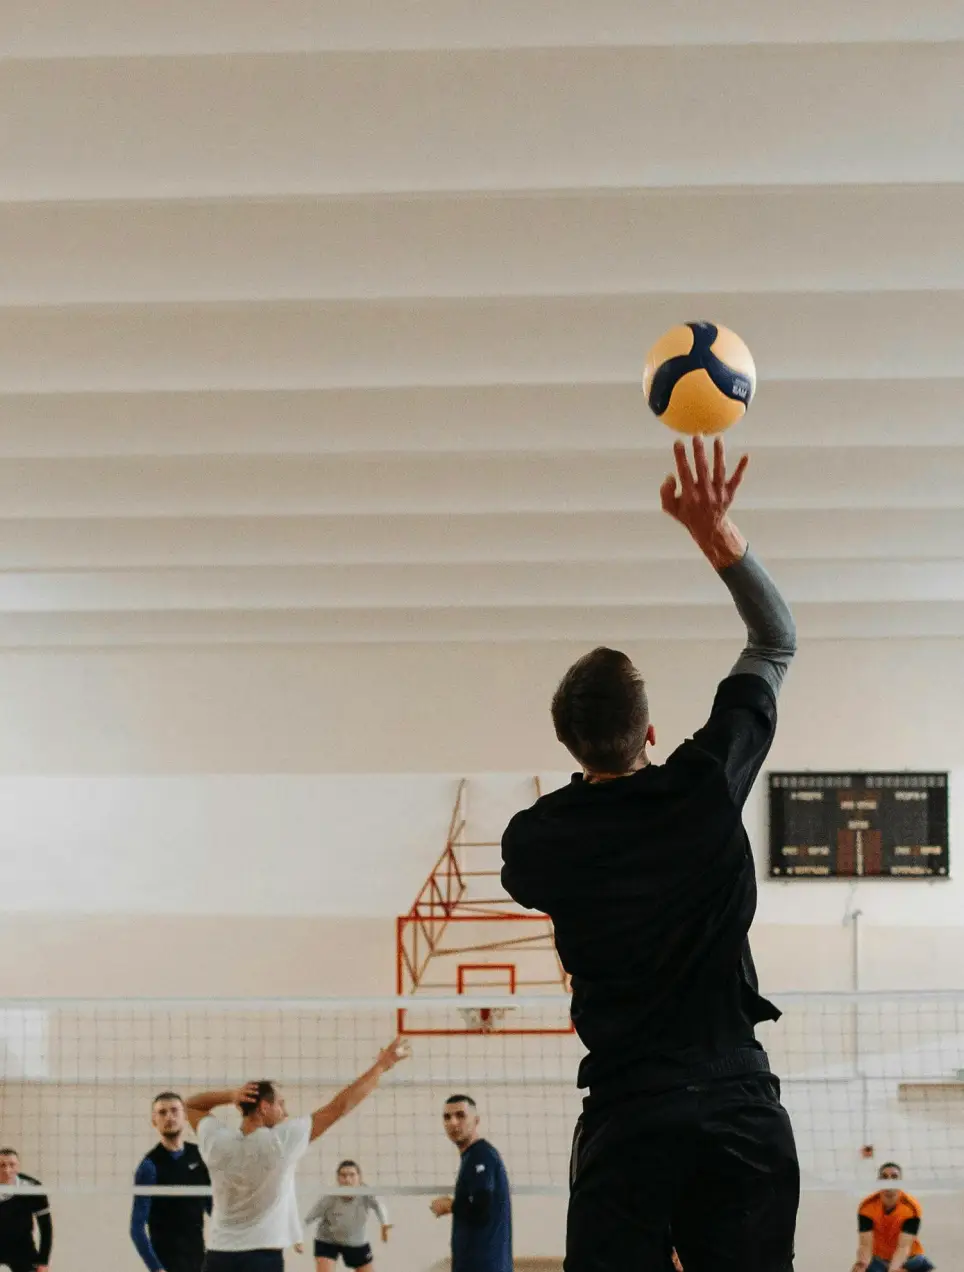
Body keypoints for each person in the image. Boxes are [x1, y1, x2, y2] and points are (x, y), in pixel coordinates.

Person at [501, 437, 800, 1272]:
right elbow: (775, 641)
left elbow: (532, 873)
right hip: (738, 1103)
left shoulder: (538, 839)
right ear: (653, 732)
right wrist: (717, 536)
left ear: (567, 743)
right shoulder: (703, 786)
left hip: (630, 1114)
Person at [185, 1037, 409, 1272]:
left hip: (218, 1255)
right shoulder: (281, 1141)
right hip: (262, 1257)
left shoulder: (217, 1141)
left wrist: (231, 1096)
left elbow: (191, 1105)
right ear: (264, 1107)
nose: (286, 1111)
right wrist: (381, 1066)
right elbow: (339, 1107)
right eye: (280, 1104)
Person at [131, 1090, 212, 1272]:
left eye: (174, 1110)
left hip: (199, 1262)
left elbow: (212, 1208)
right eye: (162, 1112)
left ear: (184, 1116)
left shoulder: (199, 1156)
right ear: (154, 1121)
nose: (169, 1117)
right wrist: (156, 1268)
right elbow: (136, 1228)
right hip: (167, 1263)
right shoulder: (149, 1166)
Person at [430, 1094, 511, 1272]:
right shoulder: (472, 1157)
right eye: (447, 1117)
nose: (453, 1122)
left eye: (460, 1115)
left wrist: (449, 1205)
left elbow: (482, 1207)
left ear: (476, 1121)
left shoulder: (481, 1155)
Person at [306, 1160, 390, 1272]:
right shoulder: (330, 1197)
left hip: (356, 1241)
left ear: (359, 1178)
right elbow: (309, 1218)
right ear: (338, 1178)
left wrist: (384, 1224)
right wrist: (297, 1238)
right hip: (327, 1239)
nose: (347, 1179)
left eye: (352, 1175)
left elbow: (379, 1206)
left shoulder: (367, 1193)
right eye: (343, 1175)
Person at [853, 1162, 934, 1272]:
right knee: (859, 1268)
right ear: (878, 1181)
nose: (889, 1181)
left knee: (916, 1263)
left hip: (909, 1258)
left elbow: (903, 1247)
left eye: (894, 1177)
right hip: (880, 1259)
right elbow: (865, 1244)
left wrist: (893, 1269)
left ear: (901, 1182)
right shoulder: (867, 1207)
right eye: (884, 1177)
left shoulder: (911, 1208)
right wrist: (862, 1264)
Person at [0, 1148, 52, 1272]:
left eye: (12, 1165)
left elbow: (46, 1227)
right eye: (2, 1165)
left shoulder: (33, 1188)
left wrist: (43, 1261)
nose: (7, 1170)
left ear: (18, 1167)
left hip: (22, 1247)